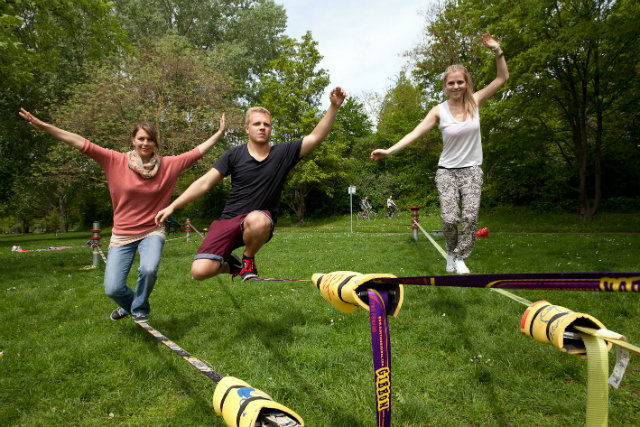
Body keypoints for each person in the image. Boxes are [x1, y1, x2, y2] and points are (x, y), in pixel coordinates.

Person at [19, 108, 226, 322]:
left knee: (148, 269)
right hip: (122, 234)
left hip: (152, 230)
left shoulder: (168, 165)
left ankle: (140, 310)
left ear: (156, 143)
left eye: (150, 140)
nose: (145, 143)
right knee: (113, 288)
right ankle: (129, 306)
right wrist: (45, 127)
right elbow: (78, 141)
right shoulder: (114, 160)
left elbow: (197, 152)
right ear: (133, 140)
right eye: (141, 139)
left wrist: (219, 134)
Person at [155, 87, 347, 281]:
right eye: (257, 124)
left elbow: (316, 137)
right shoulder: (233, 155)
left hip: (258, 222)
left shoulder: (283, 153)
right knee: (200, 271)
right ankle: (234, 265)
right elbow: (204, 183)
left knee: (258, 219)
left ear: (271, 129)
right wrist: (173, 206)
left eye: (267, 124)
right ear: (247, 128)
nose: (262, 127)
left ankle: (248, 258)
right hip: (229, 220)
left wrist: (333, 106)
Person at [370, 33, 508, 275]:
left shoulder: (475, 101)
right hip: (447, 172)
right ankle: (451, 250)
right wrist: (389, 150)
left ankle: (461, 257)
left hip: (472, 170)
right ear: (445, 86)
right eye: (451, 83)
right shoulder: (439, 111)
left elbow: (501, 78)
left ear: (467, 84)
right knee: (449, 218)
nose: (456, 87)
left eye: (460, 82)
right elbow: (415, 133)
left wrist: (497, 50)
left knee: (470, 217)